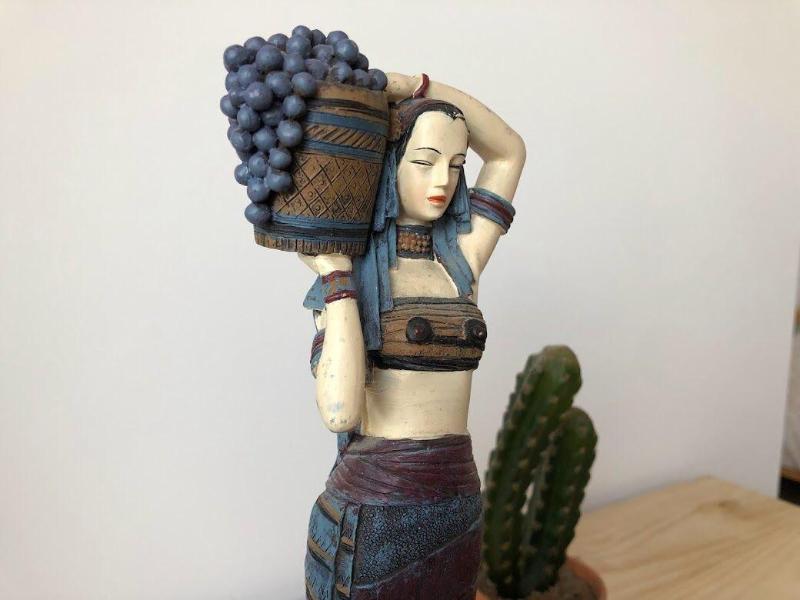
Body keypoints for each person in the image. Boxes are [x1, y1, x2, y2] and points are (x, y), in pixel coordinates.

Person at [300, 72, 526, 600]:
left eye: (455, 164)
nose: (442, 180)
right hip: (376, 519)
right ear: (389, 164)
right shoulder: (351, 279)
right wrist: (336, 278)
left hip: (458, 506)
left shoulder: (461, 262)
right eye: (424, 161)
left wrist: (419, 86)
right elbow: (340, 413)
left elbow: (509, 151)